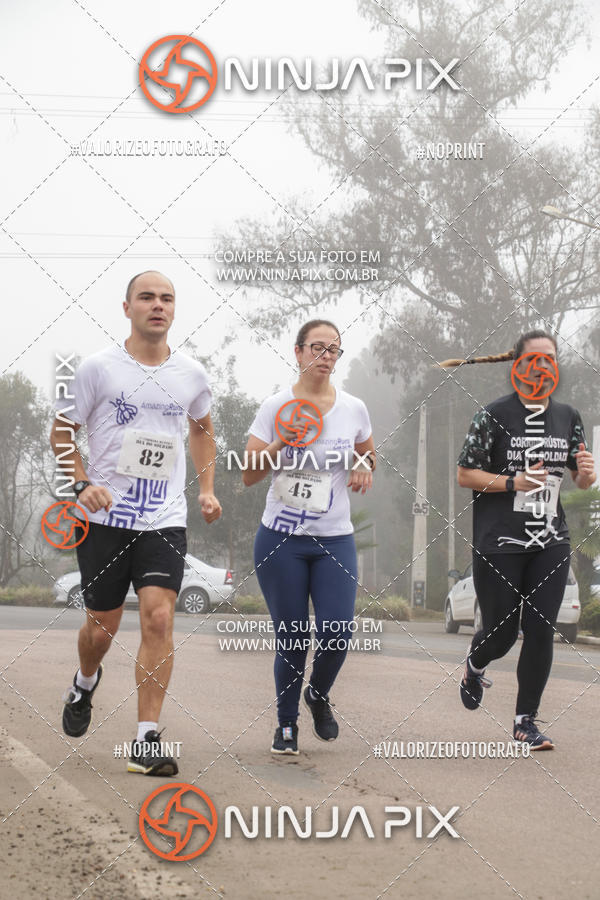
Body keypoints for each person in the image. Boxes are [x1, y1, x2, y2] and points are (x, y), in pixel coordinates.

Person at [50, 270, 222, 775]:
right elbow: (61, 433)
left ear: (174, 310)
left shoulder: (191, 374)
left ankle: (146, 739)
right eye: (146, 297)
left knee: (159, 618)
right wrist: (82, 484)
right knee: (101, 629)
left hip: (163, 518)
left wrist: (207, 489)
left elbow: (203, 429)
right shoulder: (97, 370)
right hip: (104, 520)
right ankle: (84, 682)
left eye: (166, 298)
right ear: (126, 308)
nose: (157, 305)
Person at [443, 329, 596, 749]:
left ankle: (525, 722)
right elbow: (464, 474)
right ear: (518, 364)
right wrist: (513, 482)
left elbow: (580, 478)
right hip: (499, 543)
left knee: (541, 629)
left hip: (551, 539)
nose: (544, 365)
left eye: (551, 358)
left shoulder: (567, 416)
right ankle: (475, 664)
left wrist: (586, 469)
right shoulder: (493, 415)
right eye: (535, 358)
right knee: (503, 633)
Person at [243, 319, 375, 755]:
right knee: (294, 638)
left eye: (333, 350)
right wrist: (282, 440)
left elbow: (370, 454)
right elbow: (249, 473)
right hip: (281, 540)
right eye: (317, 348)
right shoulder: (274, 406)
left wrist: (363, 465)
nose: (326, 356)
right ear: (297, 352)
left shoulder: (353, 408)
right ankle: (286, 726)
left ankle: (317, 694)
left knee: (337, 632)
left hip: (334, 539)